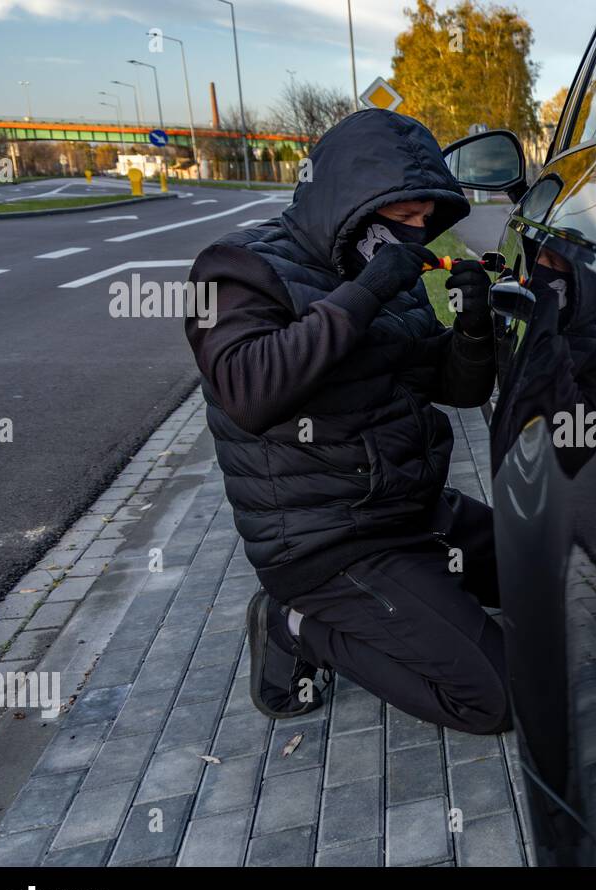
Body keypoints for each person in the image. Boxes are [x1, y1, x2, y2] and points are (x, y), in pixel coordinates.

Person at [184, 110, 510, 736]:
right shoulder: (235, 268)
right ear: (352, 206)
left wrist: (473, 330)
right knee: (500, 697)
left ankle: (425, 604)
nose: (416, 233)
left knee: (558, 586)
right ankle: (294, 625)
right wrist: (366, 293)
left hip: (414, 513)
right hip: (328, 542)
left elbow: (453, 388)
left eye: (425, 219)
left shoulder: (386, 266)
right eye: (403, 216)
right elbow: (250, 391)